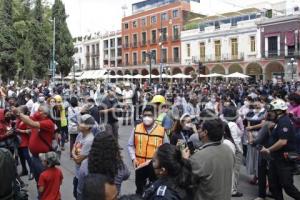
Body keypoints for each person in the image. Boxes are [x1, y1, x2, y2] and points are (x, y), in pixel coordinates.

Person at [182, 113, 234, 200]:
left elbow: (184, 181)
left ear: (205, 132)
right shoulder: (228, 149)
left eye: (200, 129)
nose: (198, 130)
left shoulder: (198, 157)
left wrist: (184, 160)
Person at [261, 99, 300, 200]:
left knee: (288, 186)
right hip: (276, 158)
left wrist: (268, 150)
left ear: (278, 111)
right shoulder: (279, 121)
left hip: (284, 159)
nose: (270, 113)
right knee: (274, 185)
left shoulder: (284, 122)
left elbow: (283, 141)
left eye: (272, 111)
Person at [128, 105, 169, 195]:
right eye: (145, 115)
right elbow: (130, 145)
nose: (147, 118)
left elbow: (166, 148)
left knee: (154, 190)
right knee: (139, 189)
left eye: (150, 115)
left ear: (154, 117)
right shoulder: (137, 128)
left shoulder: (161, 131)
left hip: (155, 167)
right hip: (140, 166)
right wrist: (133, 158)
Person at [77, 133, 130, 199]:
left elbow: (80, 192)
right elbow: (127, 175)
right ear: (114, 149)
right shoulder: (119, 166)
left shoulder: (85, 165)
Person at [72, 114, 95, 199]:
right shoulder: (80, 135)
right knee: (75, 194)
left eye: (81, 123)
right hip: (78, 173)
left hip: (84, 177)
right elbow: (73, 148)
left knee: (80, 196)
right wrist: (74, 155)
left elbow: (78, 160)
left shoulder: (89, 140)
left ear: (88, 126)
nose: (79, 124)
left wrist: (74, 154)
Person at [222, 107, 243, 197]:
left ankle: (227, 188)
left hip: (226, 147)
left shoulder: (224, 122)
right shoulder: (232, 125)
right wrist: (239, 150)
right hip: (234, 149)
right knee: (235, 171)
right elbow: (235, 140)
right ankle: (232, 190)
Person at [16, 105, 33, 180]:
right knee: (21, 157)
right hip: (18, 141)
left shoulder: (27, 119)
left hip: (25, 141)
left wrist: (21, 131)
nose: (18, 112)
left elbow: (30, 131)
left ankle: (32, 171)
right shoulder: (18, 119)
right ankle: (24, 170)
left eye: (19, 111)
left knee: (27, 157)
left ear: (23, 112)